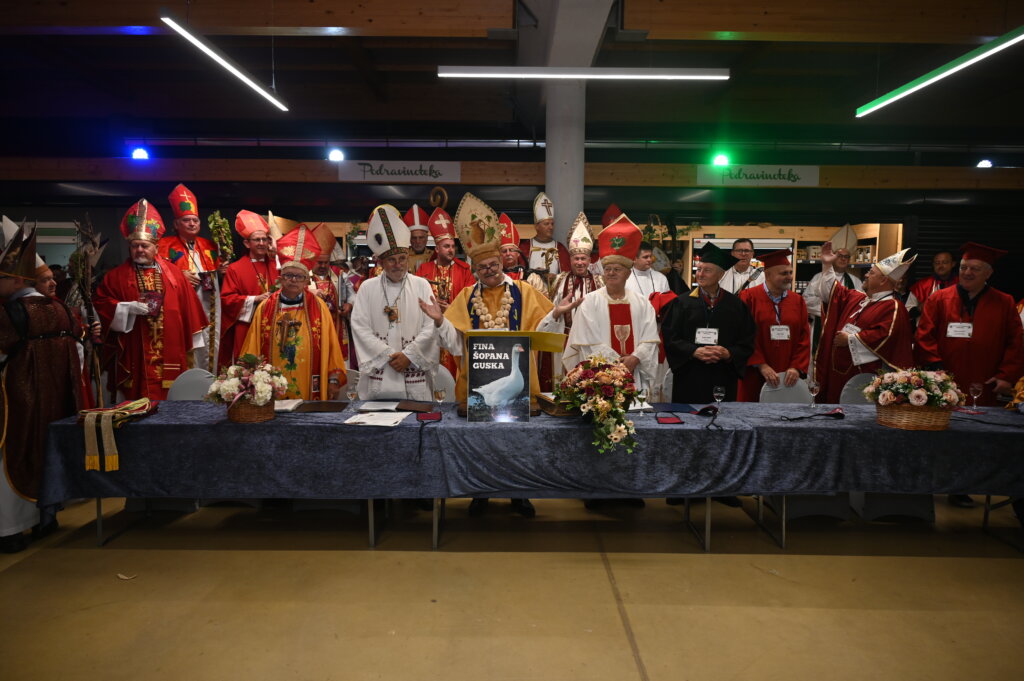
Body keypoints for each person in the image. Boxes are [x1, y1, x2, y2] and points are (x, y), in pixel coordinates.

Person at [419, 192, 576, 519]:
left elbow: (542, 332)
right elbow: (453, 341)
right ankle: (480, 493)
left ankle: (520, 494)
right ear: (474, 269)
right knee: (480, 442)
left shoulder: (524, 292)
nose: (489, 270)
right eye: (481, 267)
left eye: (493, 264)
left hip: (518, 386)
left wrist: (557, 313)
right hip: (479, 383)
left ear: (502, 262)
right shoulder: (466, 295)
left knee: (519, 442)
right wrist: (438, 320)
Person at [916, 243, 1023, 509]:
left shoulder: (1004, 302)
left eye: (974, 269)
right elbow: (924, 335)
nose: (967, 273)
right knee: (943, 434)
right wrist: (936, 370)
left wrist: (1006, 376)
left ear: (988, 273)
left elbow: (1016, 343)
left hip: (983, 382)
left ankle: (963, 487)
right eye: (964, 267)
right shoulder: (939, 299)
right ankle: (932, 482)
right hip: (945, 380)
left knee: (975, 437)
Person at [0, 227, 83, 553]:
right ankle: (45, 519)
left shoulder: (11, 314)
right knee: (45, 453)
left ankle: (8, 530)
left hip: (18, 400)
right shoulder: (62, 309)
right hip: (54, 399)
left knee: (15, 456)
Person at [94, 199, 209, 402]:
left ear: (156, 247)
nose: (139, 250)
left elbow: (190, 309)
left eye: (144, 245)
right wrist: (125, 308)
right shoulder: (116, 276)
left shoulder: (174, 274)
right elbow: (101, 304)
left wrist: (194, 343)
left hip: (171, 347)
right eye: (135, 246)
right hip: (134, 348)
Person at [240, 223, 346, 400]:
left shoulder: (319, 307)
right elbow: (252, 347)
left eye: (299, 277)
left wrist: (333, 379)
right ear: (280, 279)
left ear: (306, 281)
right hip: (270, 387)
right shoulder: (266, 307)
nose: (293, 281)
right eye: (289, 276)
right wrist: (247, 377)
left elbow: (332, 347)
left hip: (310, 384)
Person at [350, 205, 438, 400]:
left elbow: (431, 325)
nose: (398, 265)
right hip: (381, 371)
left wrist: (409, 356)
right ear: (381, 262)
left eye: (402, 258)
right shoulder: (367, 287)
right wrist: (388, 355)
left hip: (413, 370)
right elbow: (359, 326)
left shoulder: (421, 284)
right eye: (391, 260)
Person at [562, 212, 659, 390]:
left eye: (617, 269)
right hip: (600, 378)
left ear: (628, 273)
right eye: (607, 269)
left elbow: (650, 338)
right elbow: (586, 340)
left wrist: (635, 358)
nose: (611, 273)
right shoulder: (590, 301)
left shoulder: (642, 302)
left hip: (633, 372)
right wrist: (614, 363)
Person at [811, 241, 916, 404]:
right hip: (838, 373)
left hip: (864, 376)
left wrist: (850, 340)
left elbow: (885, 336)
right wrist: (826, 265)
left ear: (883, 281)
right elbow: (830, 294)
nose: (866, 275)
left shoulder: (894, 307)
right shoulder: (859, 299)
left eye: (871, 273)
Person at [663, 242, 756, 405]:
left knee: (722, 420)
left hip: (723, 374)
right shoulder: (681, 303)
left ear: (721, 274)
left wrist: (728, 353)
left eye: (707, 270)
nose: (700, 274)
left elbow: (747, 340)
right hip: (690, 374)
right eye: (698, 269)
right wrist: (694, 351)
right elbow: (670, 338)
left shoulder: (736, 305)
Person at [157, 184, 225, 373]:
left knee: (210, 339)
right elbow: (156, 272)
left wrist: (222, 270)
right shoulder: (164, 245)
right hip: (183, 304)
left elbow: (215, 271)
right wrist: (179, 274)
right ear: (176, 223)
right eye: (186, 220)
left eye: (195, 220)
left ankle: (208, 380)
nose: (192, 224)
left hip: (209, 303)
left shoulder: (209, 245)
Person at [737, 249, 810, 402]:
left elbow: (804, 337)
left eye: (790, 273)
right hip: (755, 372)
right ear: (768, 275)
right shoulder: (748, 297)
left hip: (788, 374)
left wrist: (796, 366)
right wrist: (761, 365)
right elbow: (742, 334)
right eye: (783, 273)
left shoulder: (797, 300)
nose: (789, 277)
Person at [415, 207, 475, 381]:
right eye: (446, 246)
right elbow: (415, 299)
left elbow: (471, 300)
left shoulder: (465, 271)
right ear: (438, 248)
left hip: (454, 329)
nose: (451, 250)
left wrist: (451, 309)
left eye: (453, 246)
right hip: (429, 330)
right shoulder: (424, 269)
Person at [219, 210, 279, 367]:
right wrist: (254, 299)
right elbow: (227, 299)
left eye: (264, 239)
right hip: (247, 327)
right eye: (257, 239)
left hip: (273, 326)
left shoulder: (276, 266)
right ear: (247, 243)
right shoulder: (235, 268)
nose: (261, 243)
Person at [803, 224, 863, 321]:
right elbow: (807, 301)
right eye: (839, 256)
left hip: (844, 323)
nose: (843, 259)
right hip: (821, 321)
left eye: (846, 257)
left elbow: (861, 303)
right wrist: (832, 308)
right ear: (833, 257)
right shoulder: (818, 277)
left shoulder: (855, 281)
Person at [519, 192, 569, 283]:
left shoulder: (560, 248)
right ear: (537, 226)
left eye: (552, 224)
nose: (551, 227)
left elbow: (568, 276)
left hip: (554, 293)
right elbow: (519, 275)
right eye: (546, 224)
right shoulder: (525, 247)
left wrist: (556, 278)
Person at [500, 213, 546, 291]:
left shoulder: (531, 277)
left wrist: (528, 291)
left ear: (518, 253)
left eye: (511, 250)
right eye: (504, 251)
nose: (508, 254)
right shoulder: (495, 278)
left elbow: (543, 300)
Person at [404, 204, 434, 274]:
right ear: (410, 239)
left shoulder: (434, 256)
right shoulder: (403, 257)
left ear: (427, 238)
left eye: (421, 237)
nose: (418, 241)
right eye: (414, 238)